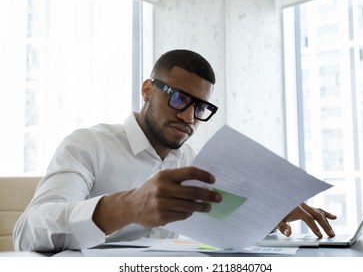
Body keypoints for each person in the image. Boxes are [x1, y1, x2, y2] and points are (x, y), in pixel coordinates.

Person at [13, 49, 336, 251]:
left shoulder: (193, 160)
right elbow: (27, 233)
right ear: (147, 90)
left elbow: (215, 224)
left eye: (200, 107)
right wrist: (126, 207)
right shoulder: (88, 144)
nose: (188, 117)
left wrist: (266, 213)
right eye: (179, 98)